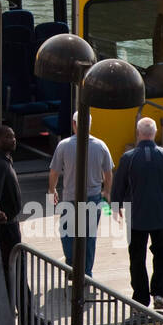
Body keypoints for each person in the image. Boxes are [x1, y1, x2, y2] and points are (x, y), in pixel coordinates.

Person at [111, 117, 163, 313]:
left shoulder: (129, 158)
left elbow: (118, 187)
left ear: (138, 133)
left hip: (136, 217)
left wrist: (115, 206)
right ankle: (159, 293)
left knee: (137, 256)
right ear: (155, 133)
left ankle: (140, 298)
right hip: (161, 216)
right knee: (160, 254)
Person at [0, 126, 49, 325]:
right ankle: (27, 322)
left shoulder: (4, 160)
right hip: (6, 228)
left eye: (13, 135)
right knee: (15, 273)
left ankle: (30, 318)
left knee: (18, 273)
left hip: (12, 225)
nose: (12, 139)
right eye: (6, 137)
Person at [48, 112, 113, 279]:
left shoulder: (63, 145)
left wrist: (52, 190)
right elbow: (108, 173)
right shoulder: (101, 145)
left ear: (73, 124)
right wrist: (106, 191)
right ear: (90, 124)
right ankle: (86, 272)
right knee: (89, 237)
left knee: (67, 233)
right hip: (93, 197)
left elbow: (54, 172)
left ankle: (72, 265)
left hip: (70, 198)